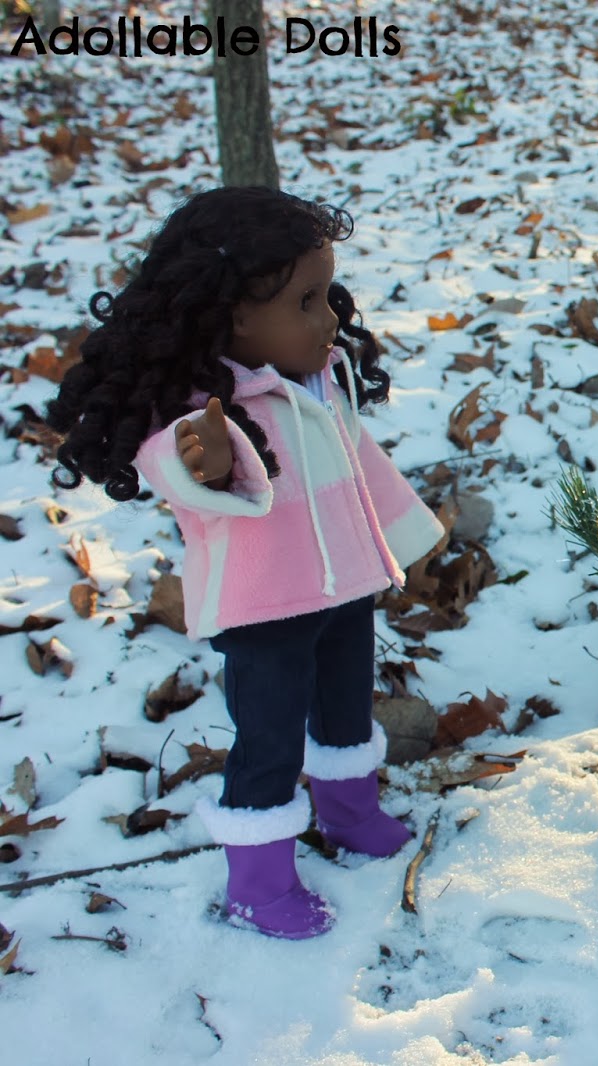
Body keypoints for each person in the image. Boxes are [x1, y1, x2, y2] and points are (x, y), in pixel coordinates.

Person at [47, 187, 445, 939]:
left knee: (344, 707)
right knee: (268, 738)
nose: (329, 317)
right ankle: (258, 880)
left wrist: (402, 537)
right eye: (305, 301)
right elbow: (177, 469)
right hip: (266, 610)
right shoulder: (207, 407)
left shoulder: (317, 377)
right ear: (233, 315)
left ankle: (350, 811)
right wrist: (210, 460)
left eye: (326, 294)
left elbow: (359, 466)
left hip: (344, 587)